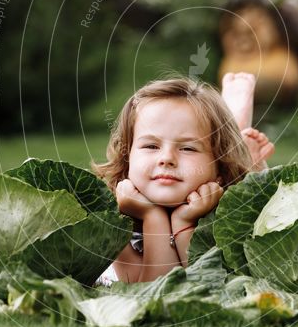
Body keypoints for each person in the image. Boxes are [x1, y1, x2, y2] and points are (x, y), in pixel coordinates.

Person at [93, 73, 274, 284]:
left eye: (188, 148)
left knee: (254, 190)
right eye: (151, 146)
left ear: (219, 170)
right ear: (127, 158)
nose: (167, 158)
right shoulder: (113, 219)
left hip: (225, 178)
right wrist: (153, 217)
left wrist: (183, 223)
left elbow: (208, 283)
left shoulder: (229, 221)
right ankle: (239, 138)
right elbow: (153, 291)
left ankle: (240, 148)